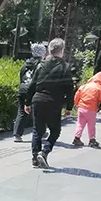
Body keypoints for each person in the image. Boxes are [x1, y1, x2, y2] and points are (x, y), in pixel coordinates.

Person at [25, 38, 74, 169]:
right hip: (53, 102)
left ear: (49, 50)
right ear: (61, 50)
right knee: (55, 130)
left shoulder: (40, 65)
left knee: (37, 130)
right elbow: (70, 89)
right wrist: (69, 107)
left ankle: (35, 158)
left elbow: (32, 85)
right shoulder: (65, 67)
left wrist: (27, 102)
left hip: (38, 100)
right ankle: (44, 152)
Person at [14, 43, 47, 142]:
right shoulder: (41, 65)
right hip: (34, 89)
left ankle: (17, 134)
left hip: (23, 88)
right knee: (38, 112)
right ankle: (41, 132)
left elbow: (21, 76)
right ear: (42, 53)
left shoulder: (26, 63)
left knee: (21, 111)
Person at [72, 72, 101, 148]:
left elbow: (77, 95)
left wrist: (76, 104)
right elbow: (100, 99)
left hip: (81, 107)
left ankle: (77, 138)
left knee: (80, 124)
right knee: (91, 125)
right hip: (91, 109)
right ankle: (92, 140)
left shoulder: (84, 86)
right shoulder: (100, 88)